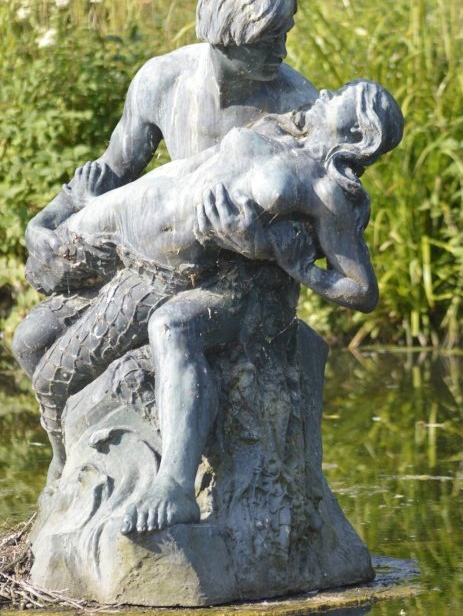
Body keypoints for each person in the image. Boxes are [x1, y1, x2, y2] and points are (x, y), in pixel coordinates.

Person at [28, 79, 403, 533]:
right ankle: (64, 463)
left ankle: (174, 485)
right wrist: (100, 203)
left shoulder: (328, 193)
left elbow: (362, 291)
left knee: (167, 328)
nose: (327, 95)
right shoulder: (282, 128)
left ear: (359, 135)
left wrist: (289, 261)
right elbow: (188, 171)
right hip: (129, 247)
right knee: (37, 347)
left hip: (199, 280)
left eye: (345, 96)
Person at [13, 0, 318, 375]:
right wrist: (42, 224)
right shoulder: (164, 81)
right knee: (31, 341)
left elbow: (322, 222)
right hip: (157, 258)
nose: (281, 52)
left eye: (284, 36)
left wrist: (259, 241)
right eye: (267, 40)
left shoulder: (298, 107)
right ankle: (69, 440)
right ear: (227, 35)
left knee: (150, 344)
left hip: (245, 278)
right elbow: (111, 171)